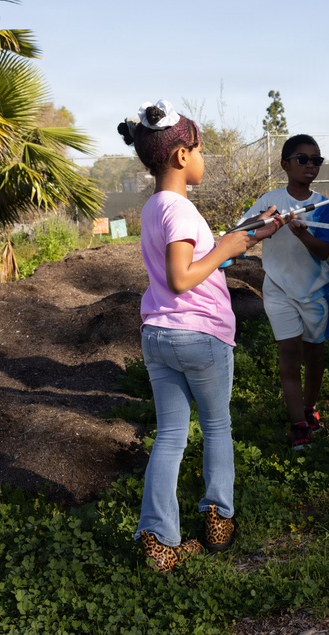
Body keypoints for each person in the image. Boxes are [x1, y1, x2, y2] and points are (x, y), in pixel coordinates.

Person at [119, 99, 284, 572]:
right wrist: (231, 244)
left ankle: (158, 538)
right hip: (200, 336)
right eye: (200, 148)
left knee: (170, 435)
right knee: (216, 428)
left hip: (159, 336)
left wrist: (250, 234)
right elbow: (181, 277)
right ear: (181, 156)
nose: (203, 156)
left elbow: (202, 260)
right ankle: (218, 516)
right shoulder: (183, 212)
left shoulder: (156, 207)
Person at [241, 135, 329, 450]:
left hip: (314, 293)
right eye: (303, 159)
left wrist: (302, 233)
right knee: (288, 355)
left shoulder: (324, 206)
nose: (310, 165)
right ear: (285, 164)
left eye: (316, 160)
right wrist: (262, 225)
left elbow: (324, 252)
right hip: (278, 291)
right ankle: (298, 424)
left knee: (314, 356)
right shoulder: (269, 201)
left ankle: (310, 410)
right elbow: (243, 232)